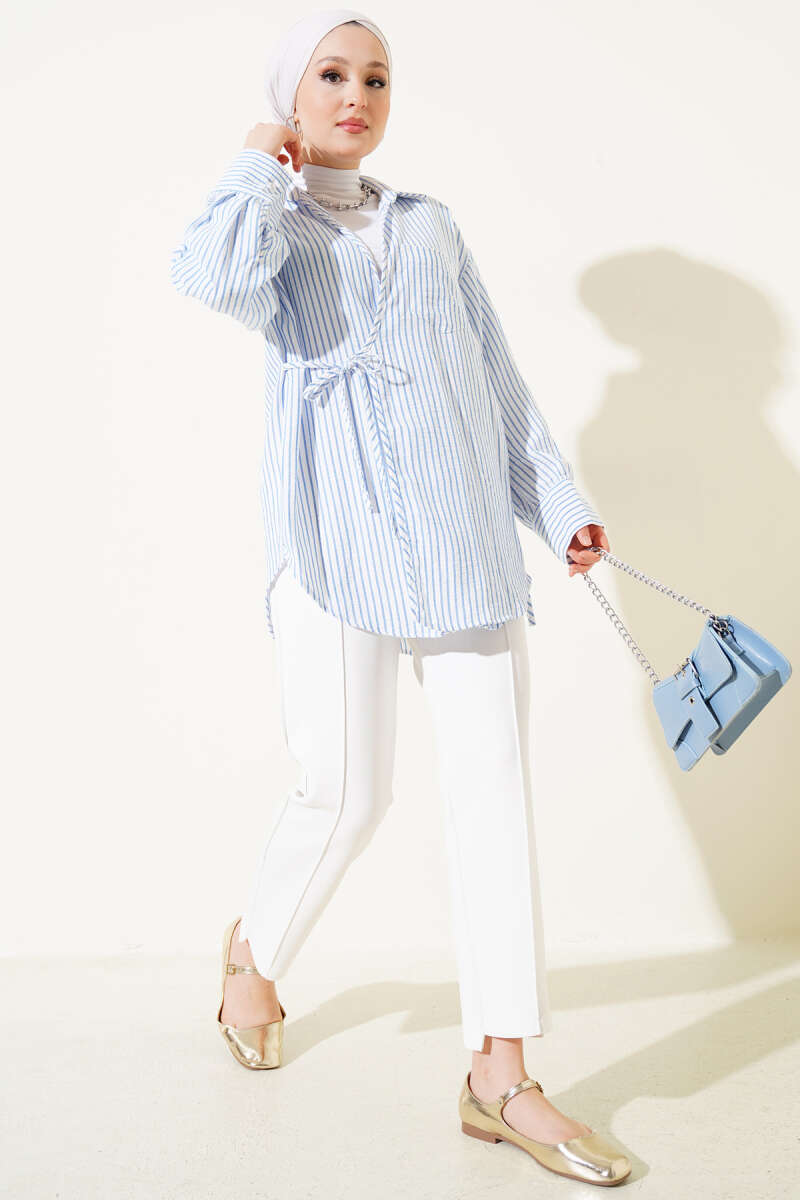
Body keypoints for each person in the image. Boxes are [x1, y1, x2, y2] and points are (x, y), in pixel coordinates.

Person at [170, 8, 631, 1187]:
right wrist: (257, 160)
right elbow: (209, 277)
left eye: (375, 78)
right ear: (291, 93)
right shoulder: (268, 224)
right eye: (330, 75)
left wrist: (555, 505)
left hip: (465, 541)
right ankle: (253, 953)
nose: (355, 96)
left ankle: (500, 1076)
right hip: (334, 543)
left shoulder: (429, 225)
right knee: (346, 794)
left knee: (491, 797)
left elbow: (496, 379)